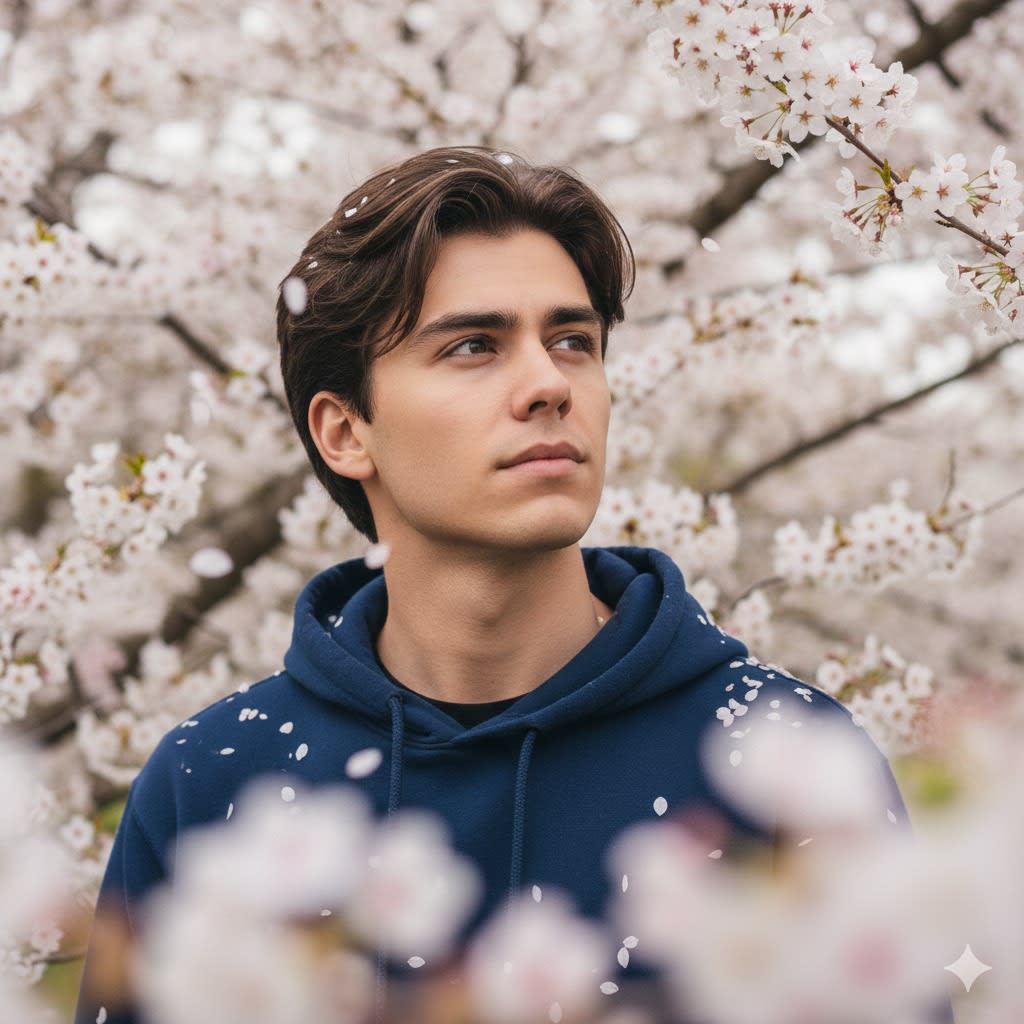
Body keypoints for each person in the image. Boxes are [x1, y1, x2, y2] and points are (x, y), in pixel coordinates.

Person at [76, 147, 940, 1023]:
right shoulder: (216, 781)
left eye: (573, 341)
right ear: (344, 432)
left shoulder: (782, 761)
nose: (547, 385)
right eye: (473, 346)